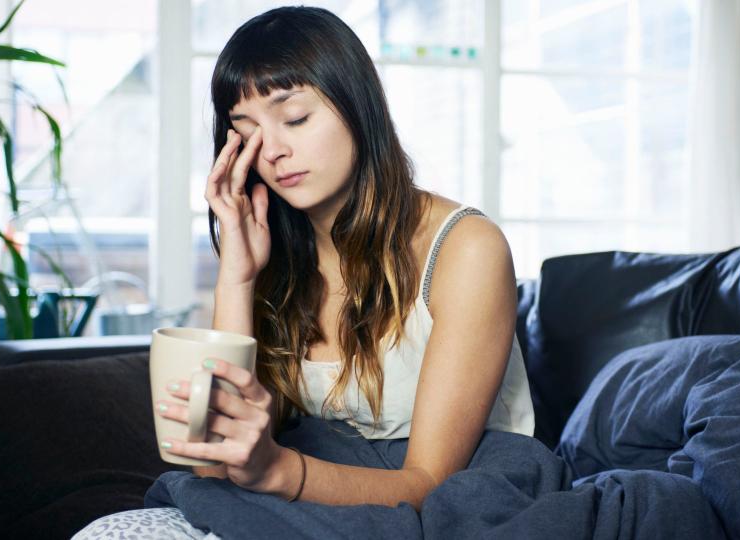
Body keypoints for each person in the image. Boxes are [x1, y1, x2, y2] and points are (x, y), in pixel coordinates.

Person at [74, 6, 533, 538]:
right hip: (316, 494)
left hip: (445, 504)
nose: (273, 151)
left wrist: (276, 469)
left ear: (358, 105)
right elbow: (209, 458)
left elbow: (429, 482)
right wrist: (238, 277)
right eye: (246, 133)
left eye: (294, 118)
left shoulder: (467, 249)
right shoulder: (279, 254)